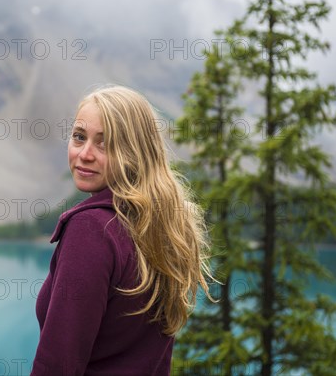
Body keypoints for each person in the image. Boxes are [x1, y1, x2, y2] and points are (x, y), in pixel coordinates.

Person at [30, 85, 213, 376]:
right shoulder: (160, 225)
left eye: (105, 144)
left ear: (134, 153)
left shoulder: (90, 230)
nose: (85, 153)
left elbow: (58, 365)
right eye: (79, 137)